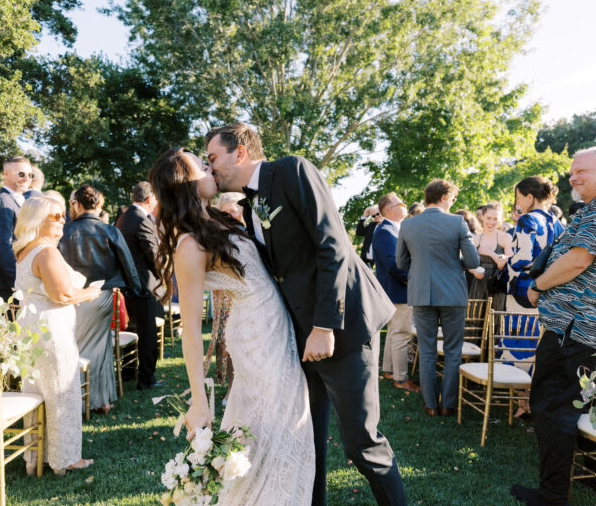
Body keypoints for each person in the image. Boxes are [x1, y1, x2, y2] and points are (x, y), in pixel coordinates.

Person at [206, 123, 404, 506]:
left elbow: (333, 246)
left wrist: (324, 326)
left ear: (240, 152)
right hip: (299, 339)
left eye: (213, 158)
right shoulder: (248, 206)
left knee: (362, 443)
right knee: (307, 441)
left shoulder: (293, 170)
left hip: (343, 326)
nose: (210, 167)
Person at [149, 147, 315, 505]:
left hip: (274, 327)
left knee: (282, 429)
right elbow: (190, 329)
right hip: (257, 340)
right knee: (276, 430)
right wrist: (198, 402)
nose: (210, 168)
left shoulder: (215, 220)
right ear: (185, 182)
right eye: (201, 165)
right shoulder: (188, 243)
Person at [510, 146, 596, 506]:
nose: (572, 178)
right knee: (575, 405)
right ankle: (590, 479)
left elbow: (578, 259)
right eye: (571, 172)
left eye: (580, 171)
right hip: (583, 327)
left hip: (577, 328)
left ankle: (552, 496)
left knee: (552, 406)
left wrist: (537, 288)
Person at [14, 195, 100, 475]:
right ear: (37, 220)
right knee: (62, 392)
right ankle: (66, 459)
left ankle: (35, 457)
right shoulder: (46, 252)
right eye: (56, 216)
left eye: (63, 214)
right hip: (51, 331)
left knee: (37, 392)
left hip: (30, 331)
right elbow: (61, 295)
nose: (63, 220)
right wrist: (89, 293)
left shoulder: (25, 251)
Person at [397, 179, 481, 418]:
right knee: (453, 350)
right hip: (453, 293)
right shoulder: (457, 222)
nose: (453, 203)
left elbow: (401, 262)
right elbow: (473, 261)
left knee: (426, 350)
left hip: (422, 292)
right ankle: (448, 405)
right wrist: (454, 261)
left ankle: (431, 405)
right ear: (444, 197)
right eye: (452, 198)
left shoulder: (408, 225)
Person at [58, 184, 142, 413]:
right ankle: (99, 401)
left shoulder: (63, 231)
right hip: (101, 295)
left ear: (76, 204)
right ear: (100, 204)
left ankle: (81, 398)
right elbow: (128, 265)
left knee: (74, 347)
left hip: (69, 296)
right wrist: (137, 290)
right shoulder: (110, 231)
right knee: (99, 347)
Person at [117, 181, 166, 389]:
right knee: (147, 333)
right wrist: (164, 273)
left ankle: (129, 372)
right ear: (148, 199)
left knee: (133, 328)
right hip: (144, 285)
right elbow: (153, 255)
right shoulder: (142, 220)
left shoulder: (123, 217)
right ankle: (146, 378)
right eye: (155, 198)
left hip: (127, 283)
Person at [373, 193, 419, 394]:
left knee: (394, 332)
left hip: (396, 290)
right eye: (401, 203)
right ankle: (401, 378)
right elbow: (394, 265)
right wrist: (414, 279)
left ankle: (389, 371)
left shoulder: (392, 229)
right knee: (402, 334)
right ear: (390, 210)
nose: (405, 205)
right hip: (398, 290)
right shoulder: (386, 231)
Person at [505, 176, 564, 313]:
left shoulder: (527, 219)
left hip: (525, 287)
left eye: (518, 198)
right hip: (549, 287)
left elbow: (524, 256)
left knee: (517, 326)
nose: (518, 203)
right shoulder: (555, 221)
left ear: (530, 197)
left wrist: (507, 262)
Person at [0, 156, 33, 302]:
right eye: (21, 174)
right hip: (6, 283)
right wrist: (18, 281)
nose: (27, 179)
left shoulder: (18, 200)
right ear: (6, 173)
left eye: (30, 175)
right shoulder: (2, 201)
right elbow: (3, 246)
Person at [212, 193, 244, 390]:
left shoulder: (251, 232)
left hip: (250, 296)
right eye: (224, 213)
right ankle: (231, 389)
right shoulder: (217, 236)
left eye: (233, 211)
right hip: (226, 294)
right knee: (228, 340)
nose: (229, 216)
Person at [469, 203, 513, 311]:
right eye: (488, 218)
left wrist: (490, 253)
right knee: (475, 316)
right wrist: (474, 271)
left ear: (500, 219)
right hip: (478, 284)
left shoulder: (505, 237)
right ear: (482, 216)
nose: (491, 222)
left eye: (495, 219)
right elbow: (468, 262)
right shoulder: (475, 239)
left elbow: (509, 262)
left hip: (498, 285)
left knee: (496, 318)